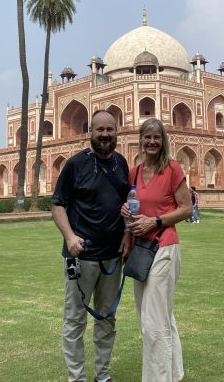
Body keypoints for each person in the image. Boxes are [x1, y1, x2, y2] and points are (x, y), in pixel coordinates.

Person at [52, 109, 131, 382]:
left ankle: (104, 376)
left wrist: (127, 235)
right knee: (75, 320)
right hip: (81, 256)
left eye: (110, 129)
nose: (105, 134)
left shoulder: (122, 163)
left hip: (112, 257)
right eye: (100, 130)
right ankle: (77, 378)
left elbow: (126, 206)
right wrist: (70, 237)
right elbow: (57, 205)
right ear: (91, 133)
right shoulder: (75, 164)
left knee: (106, 319)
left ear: (117, 131)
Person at [122, 118, 191, 382]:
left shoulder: (172, 169)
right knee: (157, 316)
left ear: (163, 140)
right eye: (147, 137)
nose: (152, 142)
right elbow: (132, 207)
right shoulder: (135, 173)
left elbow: (186, 208)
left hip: (164, 246)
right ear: (140, 139)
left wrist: (156, 221)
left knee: (153, 323)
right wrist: (127, 219)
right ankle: (174, 373)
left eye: (157, 137)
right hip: (142, 249)